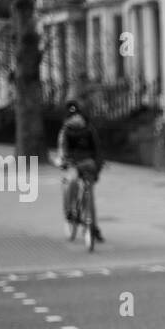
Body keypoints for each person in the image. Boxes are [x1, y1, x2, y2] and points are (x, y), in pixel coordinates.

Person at [56, 100, 104, 243]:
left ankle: (90, 226)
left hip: (85, 164)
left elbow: (97, 150)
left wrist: (97, 168)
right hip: (78, 164)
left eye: (77, 115)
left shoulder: (87, 129)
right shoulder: (67, 131)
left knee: (86, 192)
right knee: (73, 182)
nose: (76, 118)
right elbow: (63, 149)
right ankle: (74, 214)